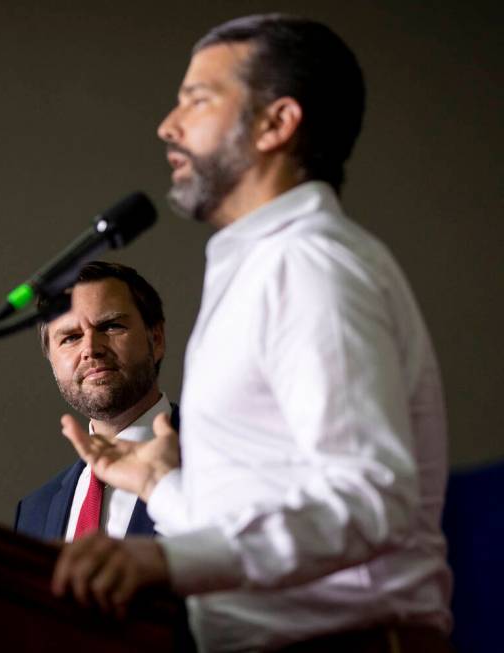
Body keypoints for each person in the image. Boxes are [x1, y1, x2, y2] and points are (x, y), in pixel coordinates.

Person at [51, 14, 454, 652]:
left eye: (198, 100)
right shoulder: (259, 267)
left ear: (276, 124)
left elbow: (369, 499)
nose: (169, 125)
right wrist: (162, 486)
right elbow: (266, 522)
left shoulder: (307, 264)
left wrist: (167, 562)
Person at [14, 261, 178, 542]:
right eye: (71, 337)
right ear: (52, 360)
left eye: (111, 326)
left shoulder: (223, 457)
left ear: (157, 338)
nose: (91, 348)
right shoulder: (33, 513)